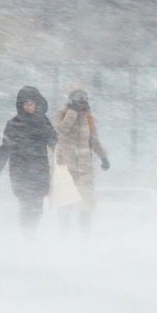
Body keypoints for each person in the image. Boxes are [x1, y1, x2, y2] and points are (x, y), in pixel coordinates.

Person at [0, 86, 57, 234]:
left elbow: (53, 141)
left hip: (39, 170)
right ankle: (26, 234)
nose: (30, 106)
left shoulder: (42, 122)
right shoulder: (14, 124)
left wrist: (45, 124)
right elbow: (5, 148)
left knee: (38, 206)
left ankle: (31, 232)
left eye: (33, 103)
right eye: (27, 103)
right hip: (21, 171)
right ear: (22, 105)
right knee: (26, 205)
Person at [54, 85, 109, 235]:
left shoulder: (89, 118)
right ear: (71, 100)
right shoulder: (62, 114)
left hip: (85, 169)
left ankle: (85, 235)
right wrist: (71, 113)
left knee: (86, 204)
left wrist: (103, 156)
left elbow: (94, 140)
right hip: (66, 167)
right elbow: (60, 130)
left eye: (84, 99)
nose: (82, 102)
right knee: (65, 203)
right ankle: (63, 233)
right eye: (78, 99)